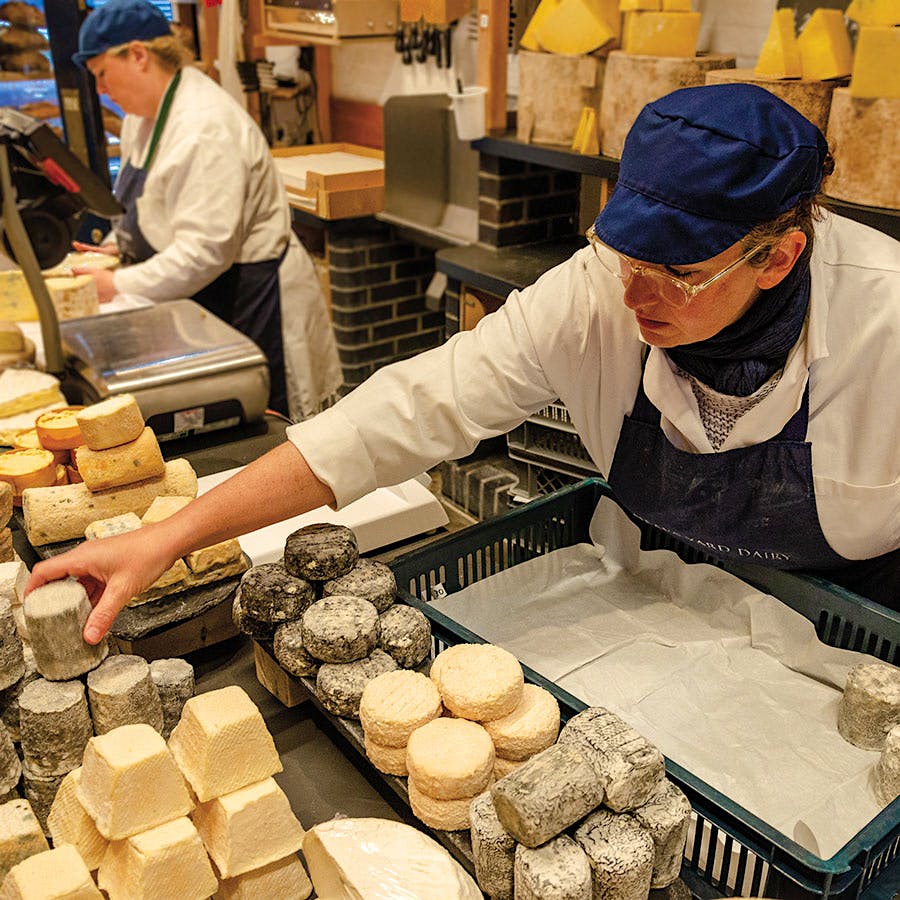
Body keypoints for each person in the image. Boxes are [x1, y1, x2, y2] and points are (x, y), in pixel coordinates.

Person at [28, 83, 900, 641]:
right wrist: (171, 536)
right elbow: (410, 409)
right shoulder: (597, 293)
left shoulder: (887, 326)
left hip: (855, 640)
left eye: (675, 274)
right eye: (624, 257)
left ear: (777, 259)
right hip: (663, 606)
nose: (635, 294)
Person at [69, 0, 342, 419]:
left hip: (253, 293)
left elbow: (205, 250)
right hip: (208, 290)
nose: (101, 90)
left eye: (102, 74)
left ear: (138, 55)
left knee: (267, 419)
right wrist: (120, 245)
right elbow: (147, 204)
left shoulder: (204, 126)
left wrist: (117, 284)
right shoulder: (141, 118)